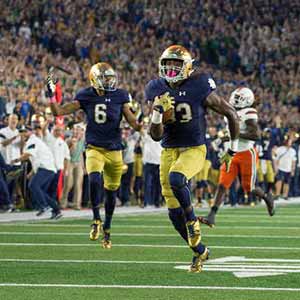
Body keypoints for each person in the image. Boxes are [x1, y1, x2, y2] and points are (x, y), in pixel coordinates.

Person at [146, 45, 239, 273]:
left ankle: (192, 222)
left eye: (176, 64)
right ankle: (200, 251)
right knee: (172, 212)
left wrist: (232, 148)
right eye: (167, 64)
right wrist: (158, 112)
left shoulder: (199, 85)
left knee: (177, 179)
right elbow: (156, 135)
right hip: (168, 150)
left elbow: (230, 113)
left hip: (194, 149)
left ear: (187, 67)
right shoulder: (156, 87)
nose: (171, 68)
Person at [47, 62, 142, 248]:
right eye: (105, 78)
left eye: (110, 77)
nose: (109, 81)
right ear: (94, 79)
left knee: (111, 193)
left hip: (115, 150)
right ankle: (96, 219)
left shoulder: (120, 95)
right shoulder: (86, 95)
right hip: (94, 148)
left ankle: (107, 228)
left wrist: (147, 121)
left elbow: (133, 122)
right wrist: (51, 94)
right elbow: (59, 111)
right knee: (95, 179)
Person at [204, 87, 275, 227]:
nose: (235, 101)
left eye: (238, 99)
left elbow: (255, 135)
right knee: (223, 184)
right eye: (235, 98)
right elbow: (232, 128)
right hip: (232, 152)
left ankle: (267, 197)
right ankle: (212, 214)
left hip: (247, 153)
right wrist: (223, 138)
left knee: (249, 187)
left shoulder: (250, 113)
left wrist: (232, 135)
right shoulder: (230, 111)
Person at [11, 126, 62, 219]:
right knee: (39, 190)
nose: (23, 134)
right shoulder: (31, 141)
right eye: (21, 132)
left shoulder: (32, 140)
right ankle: (56, 210)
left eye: (25, 131)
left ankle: (44, 206)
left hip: (46, 168)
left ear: (31, 132)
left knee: (33, 186)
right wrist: (31, 173)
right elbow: (36, 159)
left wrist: (16, 160)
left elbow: (28, 155)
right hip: (46, 168)